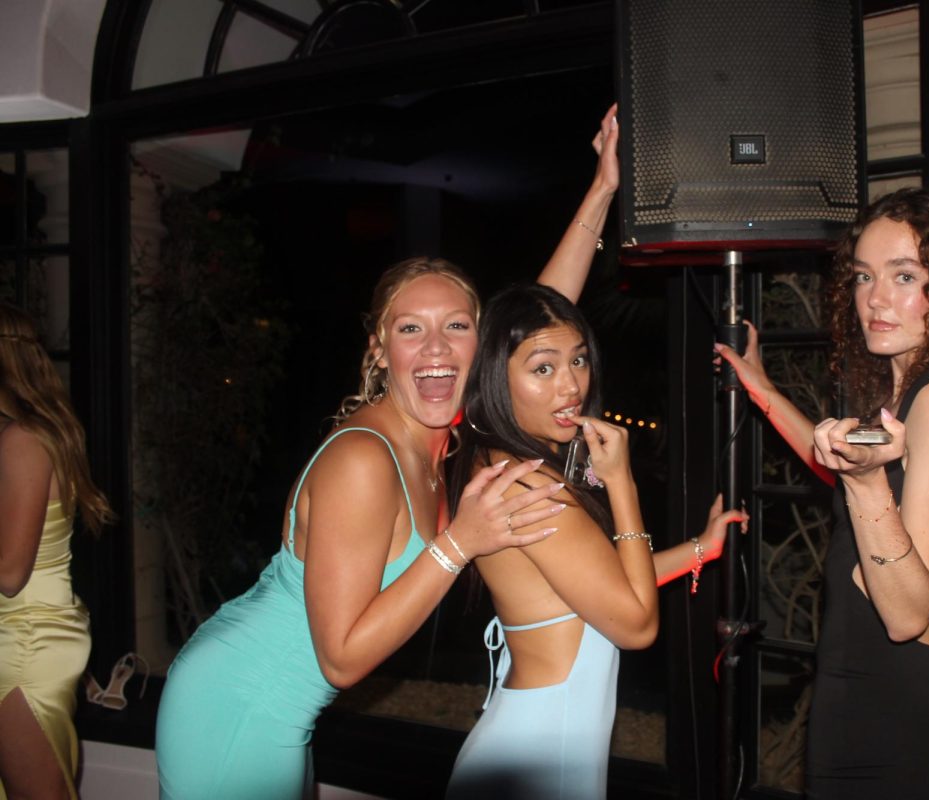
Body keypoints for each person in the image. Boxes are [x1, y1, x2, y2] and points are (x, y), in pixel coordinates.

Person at [155, 105, 621, 800]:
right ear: (380, 351)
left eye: (457, 327)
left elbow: (542, 310)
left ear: (482, 348)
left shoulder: (440, 432)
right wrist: (460, 541)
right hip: (237, 703)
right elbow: (341, 659)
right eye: (411, 329)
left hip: (279, 708)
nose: (436, 348)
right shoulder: (364, 460)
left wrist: (603, 188)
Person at [716, 187, 929, 798]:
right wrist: (759, 387)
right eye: (865, 276)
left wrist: (866, 486)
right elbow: (833, 458)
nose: (877, 298)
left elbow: (906, 611)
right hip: (883, 703)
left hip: (899, 721)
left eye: (906, 276)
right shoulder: (927, 386)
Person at [445, 283, 747, 800]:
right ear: (497, 376)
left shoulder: (505, 465)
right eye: (543, 367)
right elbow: (634, 624)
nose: (571, 386)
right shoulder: (529, 488)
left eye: (578, 361)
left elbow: (601, 587)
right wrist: (622, 483)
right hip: (542, 751)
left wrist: (701, 546)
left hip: (536, 744)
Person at [0, 302, 115, 800]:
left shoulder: (23, 439)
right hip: (30, 634)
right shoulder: (27, 433)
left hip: (24, 641)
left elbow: (10, 572)